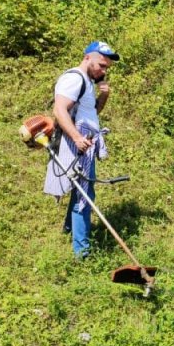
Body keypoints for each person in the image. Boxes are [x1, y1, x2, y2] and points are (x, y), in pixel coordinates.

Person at [44, 41, 120, 259]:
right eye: (102, 65)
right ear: (88, 58)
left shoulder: (86, 81)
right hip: (77, 144)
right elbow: (59, 110)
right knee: (85, 196)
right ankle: (82, 253)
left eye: (106, 68)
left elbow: (91, 113)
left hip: (84, 144)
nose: (104, 71)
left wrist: (103, 96)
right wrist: (77, 138)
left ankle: (68, 230)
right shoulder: (74, 78)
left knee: (80, 190)